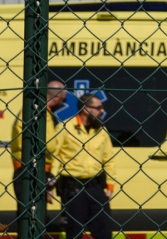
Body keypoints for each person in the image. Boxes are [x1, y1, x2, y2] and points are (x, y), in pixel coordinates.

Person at [55, 94, 117, 239]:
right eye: (98, 108)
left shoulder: (101, 130)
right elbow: (55, 155)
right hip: (72, 187)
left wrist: (110, 185)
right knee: (74, 231)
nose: (102, 111)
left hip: (95, 186)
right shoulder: (65, 127)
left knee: (104, 230)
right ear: (85, 109)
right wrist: (50, 184)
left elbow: (109, 159)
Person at [10, 79, 67, 223]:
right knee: (33, 219)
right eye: (63, 100)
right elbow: (49, 145)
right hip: (31, 171)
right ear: (57, 98)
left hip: (34, 170)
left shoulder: (36, 111)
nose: (63, 103)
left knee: (35, 217)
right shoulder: (38, 112)